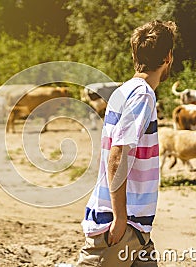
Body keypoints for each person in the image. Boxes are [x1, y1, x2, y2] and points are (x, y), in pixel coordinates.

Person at [76, 20, 177, 267]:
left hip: (137, 228)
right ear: (168, 57)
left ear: (135, 55)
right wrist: (120, 218)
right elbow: (118, 154)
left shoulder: (124, 91)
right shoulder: (142, 95)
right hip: (122, 224)